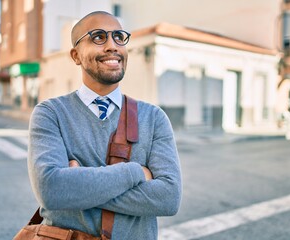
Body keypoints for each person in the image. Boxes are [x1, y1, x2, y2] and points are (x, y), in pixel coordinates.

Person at [27, 11, 181, 239]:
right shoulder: (50, 113)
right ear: (76, 55)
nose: (112, 46)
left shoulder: (154, 117)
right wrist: (135, 171)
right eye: (98, 37)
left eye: (119, 36)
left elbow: (168, 198)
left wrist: (78, 188)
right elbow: (52, 190)